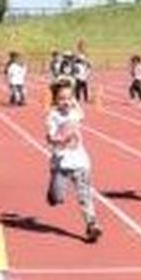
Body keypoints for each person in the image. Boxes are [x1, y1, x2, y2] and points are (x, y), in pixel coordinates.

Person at [45, 77, 101, 243]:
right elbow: (49, 137)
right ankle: (53, 193)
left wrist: (70, 86)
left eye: (69, 98)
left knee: (85, 195)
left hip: (80, 162)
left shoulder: (76, 112)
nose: (66, 102)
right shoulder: (53, 116)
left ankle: (92, 225)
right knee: (57, 197)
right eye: (62, 99)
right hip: (61, 164)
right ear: (55, 99)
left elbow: (79, 109)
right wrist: (59, 140)